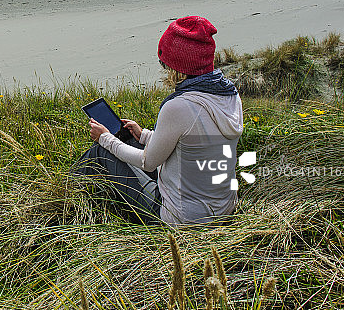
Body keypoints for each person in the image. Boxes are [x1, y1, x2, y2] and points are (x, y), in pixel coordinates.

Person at [75, 16, 243, 225]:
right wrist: (144, 135)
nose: (164, 69)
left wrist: (105, 139)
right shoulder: (229, 94)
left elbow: (148, 162)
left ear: (177, 67)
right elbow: (194, 142)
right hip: (222, 208)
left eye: (165, 64)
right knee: (129, 141)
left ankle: (66, 197)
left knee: (101, 152)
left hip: (181, 218)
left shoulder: (179, 106)